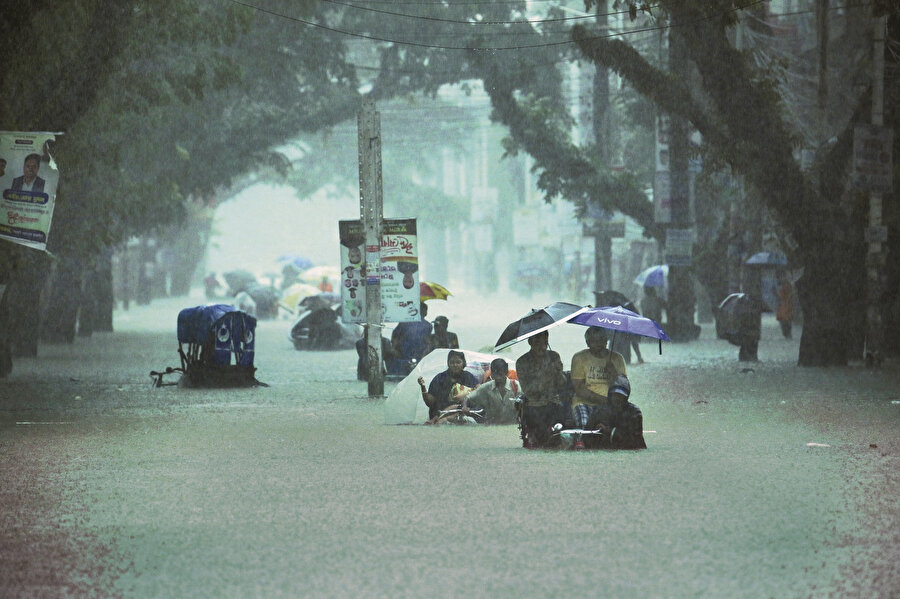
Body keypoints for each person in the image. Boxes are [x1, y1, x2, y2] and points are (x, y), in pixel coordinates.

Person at [570, 326, 627, 450]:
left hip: (611, 404)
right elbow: (579, 388)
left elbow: (624, 388)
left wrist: (613, 374)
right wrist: (603, 400)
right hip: (584, 402)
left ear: (607, 341)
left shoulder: (617, 359)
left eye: (602, 340)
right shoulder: (579, 358)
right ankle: (581, 440)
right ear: (588, 342)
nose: (599, 344)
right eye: (594, 341)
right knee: (583, 422)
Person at [515, 331, 569, 448]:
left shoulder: (554, 356)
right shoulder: (522, 362)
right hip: (534, 405)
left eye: (545, 342)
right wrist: (547, 375)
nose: (542, 346)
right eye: (537, 342)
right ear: (530, 342)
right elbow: (528, 390)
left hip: (554, 402)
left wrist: (559, 372)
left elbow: (562, 383)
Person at [585, 374, 646, 449]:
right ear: (610, 395)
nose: (617, 398)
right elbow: (587, 436)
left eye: (621, 396)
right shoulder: (599, 411)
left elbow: (635, 440)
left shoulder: (634, 413)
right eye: (615, 395)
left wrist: (609, 431)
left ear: (626, 397)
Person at [417, 350, 480, 421]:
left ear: (463, 364)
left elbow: (480, 390)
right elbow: (430, 402)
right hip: (439, 414)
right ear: (448, 363)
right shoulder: (440, 378)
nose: (455, 365)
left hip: (462, 413)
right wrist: (423, 387)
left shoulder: (468, 376)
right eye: (452, 362)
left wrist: (466, 394)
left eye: (458, 362)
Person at [458, 358, 520, 425]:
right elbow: (468, 397)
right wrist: (464, 406)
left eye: (500, 374)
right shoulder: (486, 387)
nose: (498, 378)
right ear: (491, 374)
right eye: (495, 374)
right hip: (492, 428)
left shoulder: (516, 386)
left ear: (505, 372)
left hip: (512, 428)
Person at [389, 302, 432, 376]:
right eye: (424, 310)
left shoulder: (428, 325)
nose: (425, 312)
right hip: (405, 354)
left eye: (425, 310)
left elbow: (428, 342)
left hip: (417, 355)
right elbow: (395, 336)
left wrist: (425, 354)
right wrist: (394, 349)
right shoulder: (405, 322)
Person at [775, 271, 793, 339]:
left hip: (785, 305)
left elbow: (782, 296)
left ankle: (787, 333)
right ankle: (787, 333)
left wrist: (775, 293)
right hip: (785, 305)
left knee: (785, 320)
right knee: (786, 320)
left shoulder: (785, 285)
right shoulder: (786, 285)